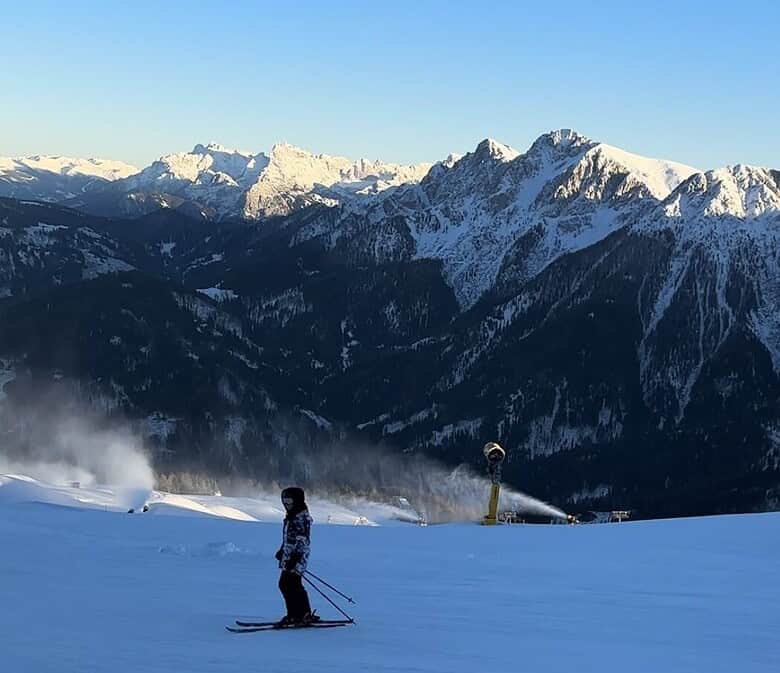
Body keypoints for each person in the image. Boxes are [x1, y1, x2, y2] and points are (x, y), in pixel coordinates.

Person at [274, 486, 319, 625]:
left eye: (289, 502)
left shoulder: (300, 518)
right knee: (290, 585)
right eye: (284, 502)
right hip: (291, 557)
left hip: (297, 559)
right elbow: (289, 538)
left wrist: (295, 558)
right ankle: (298, 614)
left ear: (297, 501)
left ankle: (299, 614)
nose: (287, 505)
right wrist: (282, 551)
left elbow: (302, 541)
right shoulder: (292, 515)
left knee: (288, 584)